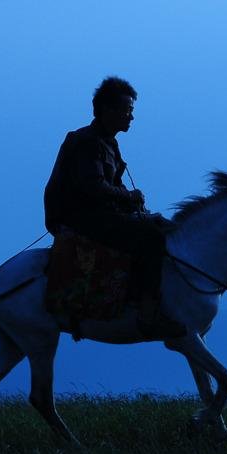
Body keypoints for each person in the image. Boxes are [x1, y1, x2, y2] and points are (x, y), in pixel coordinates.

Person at [43, 77, 176, 334]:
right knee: (152, 238)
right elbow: (93, 187)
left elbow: (112, 187)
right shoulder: (86, 141)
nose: (131, 117)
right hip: (81, 218)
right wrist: (130, 198)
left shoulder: (108, 143)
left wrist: (136, 206)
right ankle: (148, 310)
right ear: (107, 110)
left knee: (159, 224)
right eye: (127, 111)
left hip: (97, 214)